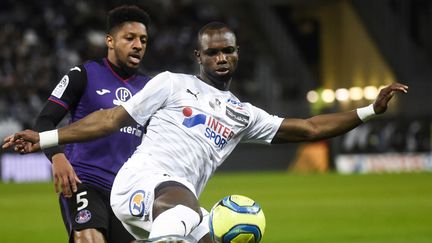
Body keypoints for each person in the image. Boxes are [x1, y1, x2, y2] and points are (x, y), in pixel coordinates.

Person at [3, 22, 408, 241]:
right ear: (199, 56)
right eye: (212, 51)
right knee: (183, 209)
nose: (220, 57)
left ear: (236, 54)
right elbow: (110, 119)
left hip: (169, 204)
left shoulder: (243, 114)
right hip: (141, 183)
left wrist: (371, 108)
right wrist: (48, 139)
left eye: (227, 50)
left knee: (208, 231)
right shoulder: (170, 83)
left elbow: (310, 126)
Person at [31, 5, 152, 243]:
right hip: (84, 181)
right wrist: (57, 156)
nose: (138, 45)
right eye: (130, 38)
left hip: (127, 192)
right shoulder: (83, 74)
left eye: (143, 40)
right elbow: (44, 120)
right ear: (110, 40)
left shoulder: (150, 88)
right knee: (89, 239)